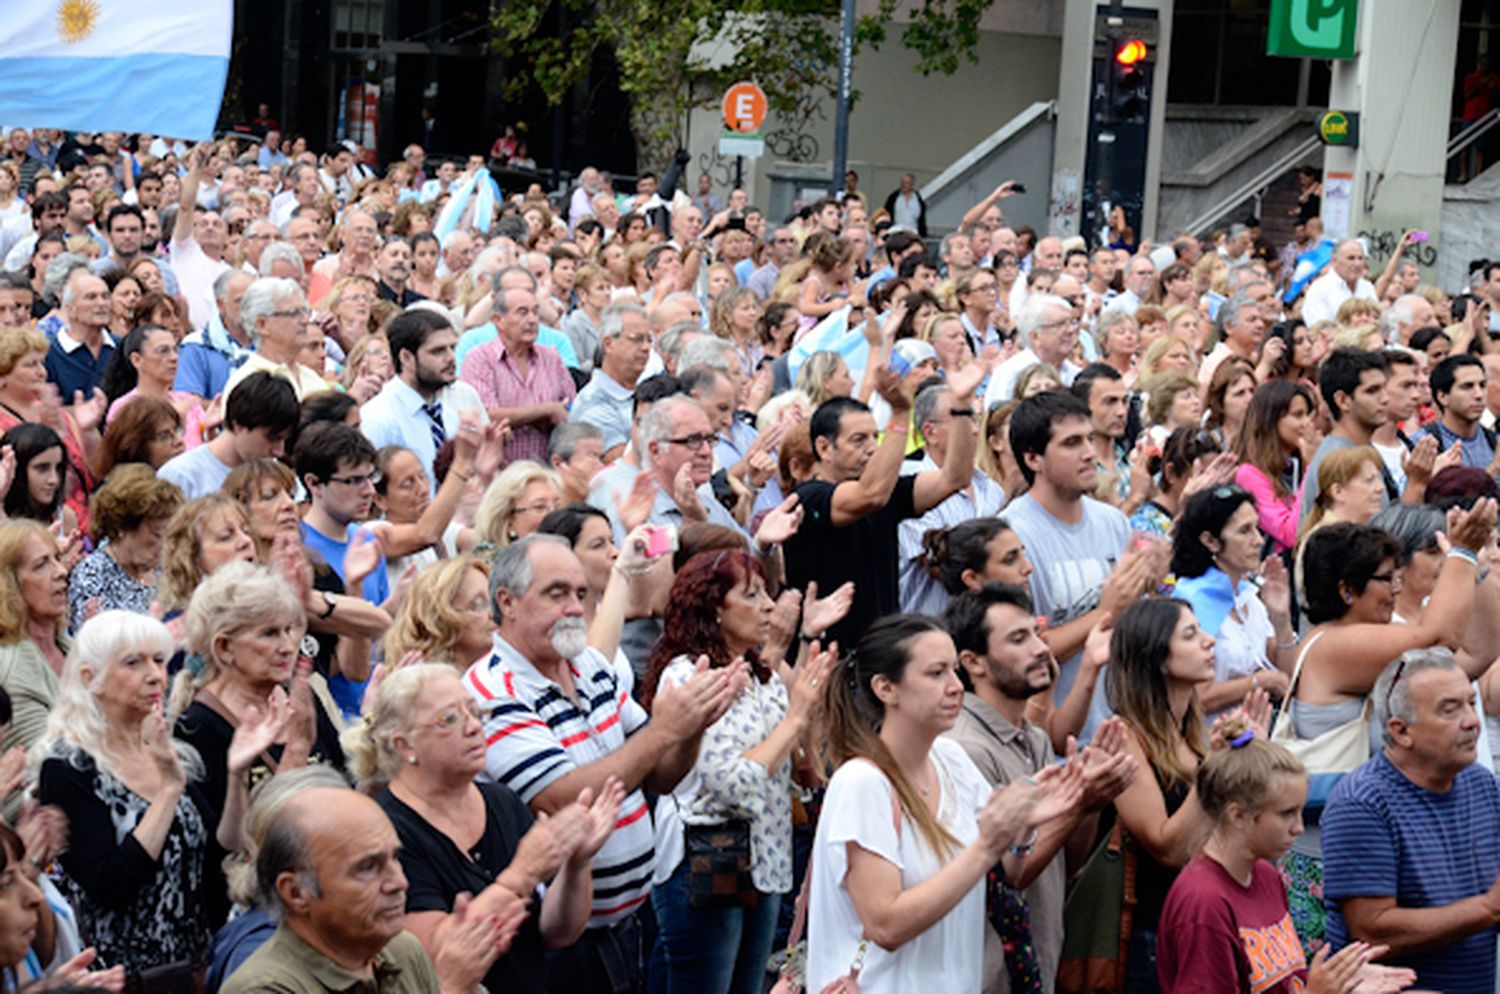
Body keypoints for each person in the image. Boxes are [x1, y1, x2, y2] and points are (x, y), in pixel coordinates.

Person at [466, 535, 743, 994]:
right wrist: (665, 729)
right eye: (556, 594)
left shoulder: (591, 666)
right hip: (556, 947)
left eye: (580, 593)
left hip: (627, 925)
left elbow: (659, 774)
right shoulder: (492, 691)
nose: (575, 607)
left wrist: (693, 724)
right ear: (507, 602)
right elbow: (566, 797)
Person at [806, 614, 1081, 993]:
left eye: (954, 670)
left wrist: (1022, 828)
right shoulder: (861, 783)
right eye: (936, 674)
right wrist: (986, 846)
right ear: (886, 688)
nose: (955, 687)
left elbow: (1010, 873)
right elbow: (885, 924)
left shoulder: (951, 759)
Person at [1282, 510, 1494, 949]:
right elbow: (1441, 639)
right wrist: (1461, 554)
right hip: (1327, 859)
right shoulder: (1335, 643)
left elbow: (1479, 649)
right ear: (1346, 590)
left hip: (1372, 852)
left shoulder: (1364, 645)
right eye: (1385, 577)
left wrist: (1481, 565)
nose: (1397, 587)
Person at [349, 663, 620, 993]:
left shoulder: (501, 801)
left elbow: (556, 933)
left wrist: (577, 864)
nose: (474, 726)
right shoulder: (387, 831)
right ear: (404, 746)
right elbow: (432, 955)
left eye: (476, 712)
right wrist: (523, 872)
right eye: (450, 719)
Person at [642, 550, 841, 994]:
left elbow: (793, 770)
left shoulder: (761, 673)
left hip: (766, 861)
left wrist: (806, 718)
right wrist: (795, 719)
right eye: (752, 595)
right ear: (714, 608)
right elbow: (732, 785)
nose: (769, 604)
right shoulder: (689, 674)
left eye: (767, 592)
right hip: (709, 860)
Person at [944, 583, 1137, 994]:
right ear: (972, 662)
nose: (1039, 648)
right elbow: (1007, 876)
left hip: (1039, 964)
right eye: (1018, 638)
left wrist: (1088, 803)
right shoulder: (965, 749)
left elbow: (1064, 862)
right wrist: (1079, 800)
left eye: (1035, 633)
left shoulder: (1032, 737)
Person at [1156, 715, 1411, 994]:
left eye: (1300, 811)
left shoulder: (1266, 875)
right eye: (1286, 813)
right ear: (1238, 814)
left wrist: (1343, 985)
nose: (1299, 828)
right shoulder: (1203, 903)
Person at [35, 611, 224, 972]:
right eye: (133, 663)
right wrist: (168, 791)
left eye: (159, 661)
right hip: (126, 977)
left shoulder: (171, 748)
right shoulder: (68, 766)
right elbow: (111, 885)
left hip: (196, 966)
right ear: (92, 679)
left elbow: (215, 853)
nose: (154, 675)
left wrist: (238, 770)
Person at [1106, 597, 1265, 994]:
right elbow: (1167, 846)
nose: (1210, 641)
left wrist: (1251, 757)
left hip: (1204, 922)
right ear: (1157, 657)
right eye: (1191, 635)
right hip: (1153, 936)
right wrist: (1215, 770)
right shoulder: (1125, 736)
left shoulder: (1190, 735)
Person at [1322, 649, 1500, 991]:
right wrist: (1488, 908)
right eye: (1450, 709)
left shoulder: (1480, 783)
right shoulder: (1362, 803)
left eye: (1470, 702)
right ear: (1400, 731)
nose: (1472, 720)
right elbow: (1372, 930)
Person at [220, 782, 498, 994]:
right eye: (367, 868)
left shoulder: (402, 951)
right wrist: (450, 987)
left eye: (395, 859)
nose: (399, 882)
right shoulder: (265, 988)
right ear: (295, 892)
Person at [784, 361, 987, 649]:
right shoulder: (808, 498)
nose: (872, 448)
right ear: (824, 448)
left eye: (874, 437)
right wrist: (902, 414)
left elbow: (954, 478)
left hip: (881, 654)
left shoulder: (887, 491)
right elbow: (870, 496)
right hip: (827, 658)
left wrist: (962, 406)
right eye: (858, 440)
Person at [1003, 390, 1151, 746]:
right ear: (1033, 458)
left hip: (1122, 728)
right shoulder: (1011, 535)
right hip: (1053, 742)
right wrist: (1105, 612)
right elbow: (1018, 652)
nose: (1088, 453)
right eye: (1071, 443)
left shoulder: (1113, 522)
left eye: (1089, 438)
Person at [1171, 487, 1295, 715]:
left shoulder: (1249, 597)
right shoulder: (1188, 603)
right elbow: (1195, 698)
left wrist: (1281, 620)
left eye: (1256, 528)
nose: (1258, 540)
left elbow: (1286, 675)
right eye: (1244, 531)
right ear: (1210, 541)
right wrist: (1259, 682)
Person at [360, 309, 487, 490]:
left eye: (453, 348)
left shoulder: (463, 396)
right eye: (438, 351)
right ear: (406, 358)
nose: (451, 358)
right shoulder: (379, 418)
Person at [0, 326, 102, 531]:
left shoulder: (61, 414)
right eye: (30, 365)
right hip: (37, 529)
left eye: (42, 363)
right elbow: (43, 487)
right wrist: (51, 437)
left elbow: (97, 471)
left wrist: (89, 432)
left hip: (85, 526)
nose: (42, 372)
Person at [461, 284, 576, 465]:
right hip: (498, 476)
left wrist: (547, 416)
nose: (532, 320)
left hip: (547, 475)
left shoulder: (552, 358)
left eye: (535, 312)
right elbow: (486, 416)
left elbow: (568, 412)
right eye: (522, 312)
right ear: (498, 320)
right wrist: (545, 410)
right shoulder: (480, 358)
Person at [68, 463, 183, 630]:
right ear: (123, 526)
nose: (165, 543)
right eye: (157, 533)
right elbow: (92, 643)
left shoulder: (164, 570)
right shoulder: (93, 574)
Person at [158, 370, 298, 500]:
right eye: (272, 438)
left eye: (284, 439)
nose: (279, 451)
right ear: (239, 425)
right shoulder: (182, 476)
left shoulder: (275, 473)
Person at [0, 521, 68, 755]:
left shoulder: (70, 645)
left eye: (58, 558)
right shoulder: (12, 670)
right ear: (10, 585)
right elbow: (49, 764)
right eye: (41, 565)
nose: (61, 571)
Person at [1233, 381, 1317, 554]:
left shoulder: (1297, 463)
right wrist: (1311, 467)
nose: (1307, 423)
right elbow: (1290, 533)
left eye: (1308, 415)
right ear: (1271, 419)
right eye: (1298, 415)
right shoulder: (1249, 474)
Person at [383, 557, 494, 669]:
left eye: (494, 602)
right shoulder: (421, 683)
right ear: (439, 621)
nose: (494, 613)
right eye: (478, 606)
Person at [0, 423, 75, 533]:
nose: (54, 480)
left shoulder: (64, 518)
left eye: (58, 468)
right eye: (42, 468)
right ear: (17, 470)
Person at [95, 395, 185, 479]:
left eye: (178, 431)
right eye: (164, 437)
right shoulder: (122, 494)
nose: (179, 441)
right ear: (137, 448)